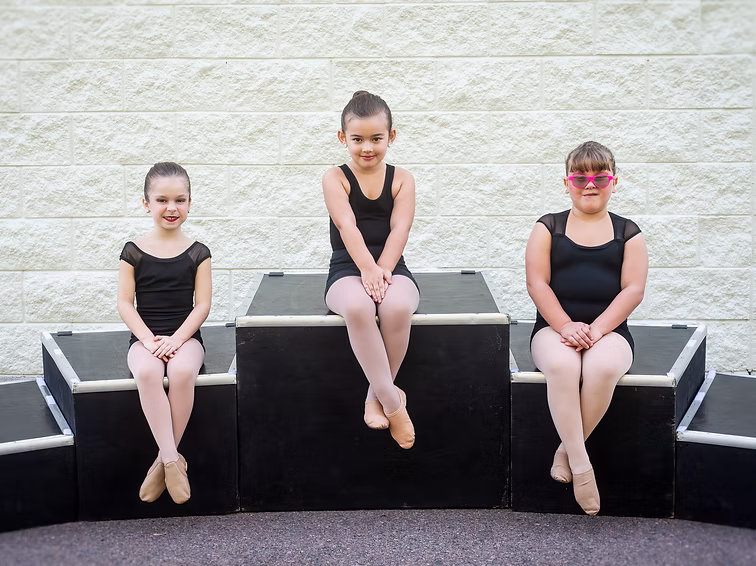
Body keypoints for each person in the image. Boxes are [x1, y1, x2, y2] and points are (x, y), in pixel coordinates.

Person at [524, 141, 648, 515]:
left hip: (608, 332)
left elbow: (633, 289)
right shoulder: (549, 227)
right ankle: (582, 467)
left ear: (614, 181)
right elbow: (537, 284)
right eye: (580, 177)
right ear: (567, 183)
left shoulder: (629, 233)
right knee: (563, 367)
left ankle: (566, 450)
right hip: (553, 329)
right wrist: (564, 326)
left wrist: (595, 331)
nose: (590, 184)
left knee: (602, 367)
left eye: (600, 176)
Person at [322, 91, 419, 449]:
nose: (367, 147)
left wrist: (382, 269)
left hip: (392, 266)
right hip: (348, 267)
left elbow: (400, 229)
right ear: (342, 138)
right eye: (357, 139)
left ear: (391, 137)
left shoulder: (402, 178)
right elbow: (347, 226)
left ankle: (372, 398)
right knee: (359, 307)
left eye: (376, 139)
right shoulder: (335, 177)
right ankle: (395, 405)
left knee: (396, 306)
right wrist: (366, 269)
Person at [117, 162, 212, 504]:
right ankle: (173, 458)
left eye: (179, 200)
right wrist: (147, 339)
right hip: (146, 337)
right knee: (147, 370)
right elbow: (125, 303)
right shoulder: (133, 251)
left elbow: (202, 306)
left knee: (184, 370)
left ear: (189, 202)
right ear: (146, 203)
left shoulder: (198, 252)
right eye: (161, 200)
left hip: (185, 337)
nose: (171, 207)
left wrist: (178, 339)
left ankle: (161, 461)